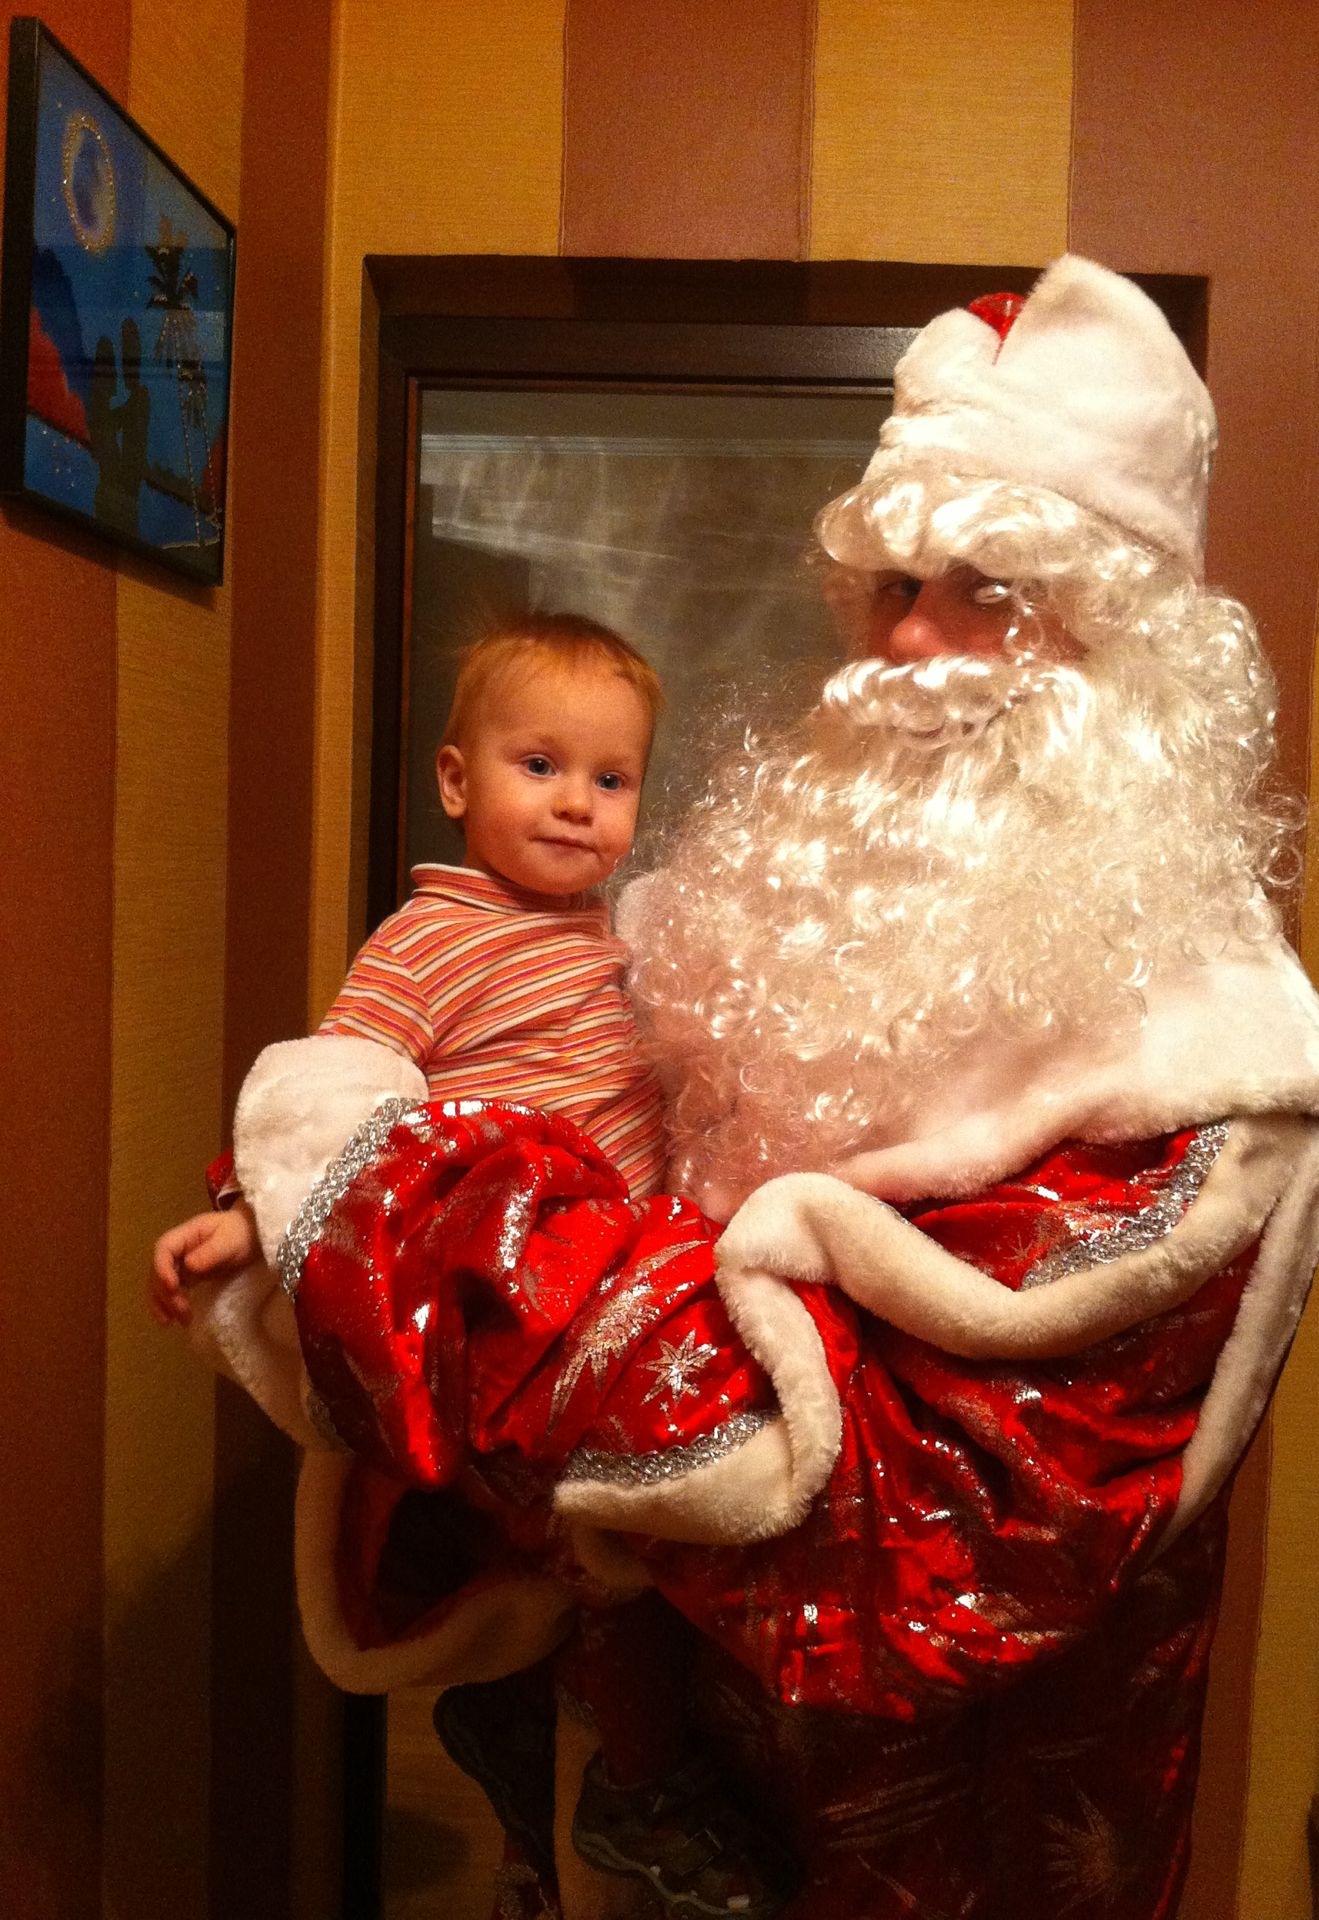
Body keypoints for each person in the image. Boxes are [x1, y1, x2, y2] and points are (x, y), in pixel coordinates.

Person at [167, 258, 1319, 1920]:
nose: (911, 639)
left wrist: (380, 1209)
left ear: (1130, 648)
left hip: (945, 1839)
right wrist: (283, 1199)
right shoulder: (739, 919)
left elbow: (933, 1512)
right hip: (655, 1756)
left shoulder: (1216, 1084)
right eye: (890, 582)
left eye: (988, 585)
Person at [151, 613, 784, 1919]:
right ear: (455, 779)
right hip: (505, 1283)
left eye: (611, 779)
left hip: (619, 1275)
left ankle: (540, 1741)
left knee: (622, 1536)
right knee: (606, 1541)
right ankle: (629, 1784)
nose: (577, 803)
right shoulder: (430, 939)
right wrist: (252, 1215)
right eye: (538, 765)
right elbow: (334, 1099)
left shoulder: (616, 940)